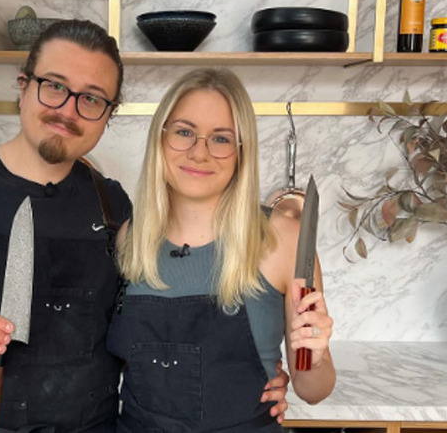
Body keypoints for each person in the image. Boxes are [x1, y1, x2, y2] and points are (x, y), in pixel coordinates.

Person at [0, 21, 290, 433]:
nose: (67, 109)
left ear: (108, 114)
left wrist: (248, 375)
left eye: (91, 98)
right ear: (23, 86)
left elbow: (149, 328)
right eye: (54, 86)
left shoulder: (114, 206)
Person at [108, 68, 336, 433]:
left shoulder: (285, 241)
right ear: (160, 138)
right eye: (184, 132)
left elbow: (313, 390)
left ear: (241, 151)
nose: (200, 153)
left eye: (221, 138)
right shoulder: (128, 239)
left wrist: (317, 354)